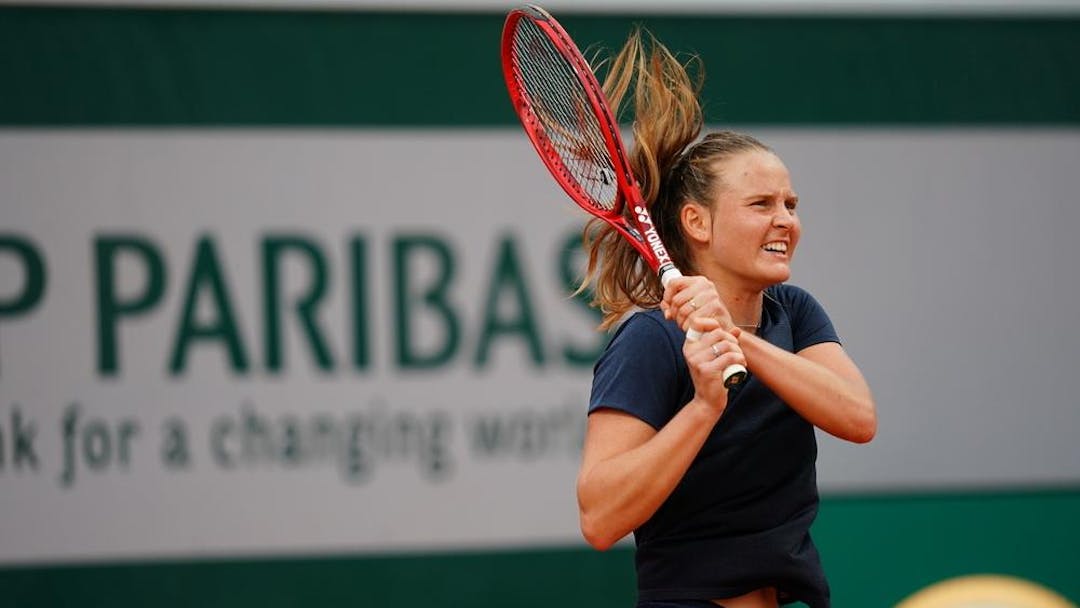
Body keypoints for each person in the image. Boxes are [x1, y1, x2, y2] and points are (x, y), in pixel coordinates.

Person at [575, 28, 877, 608]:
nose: (784, 221)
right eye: (760, 205)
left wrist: (738, 339)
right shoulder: (650, 340)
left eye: (790, 205)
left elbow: (858, 417)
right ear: (697, 223)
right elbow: (599, 516)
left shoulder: (795, 313)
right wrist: (704, 406)